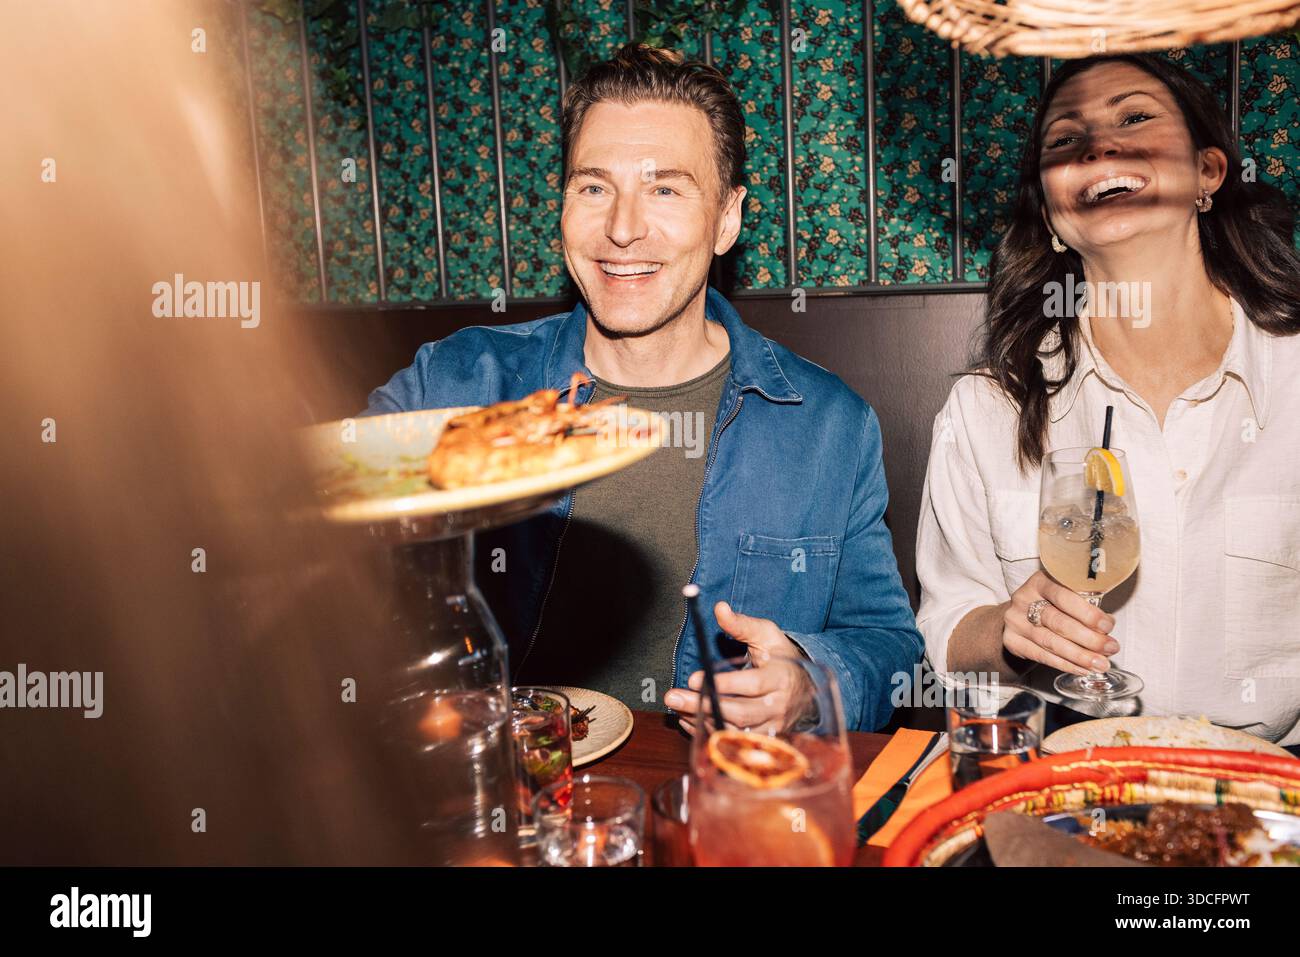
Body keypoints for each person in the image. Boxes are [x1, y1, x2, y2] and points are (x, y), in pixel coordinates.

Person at [365, 44, 922, 732]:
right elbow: (312, 538)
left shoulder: (828, 423)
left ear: (727, 219)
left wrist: (807, 685)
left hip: (715, 808)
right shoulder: (453, 381)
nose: (623, 228)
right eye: (593, 187)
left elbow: (888, 644)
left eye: (664, 189)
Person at [917, 53, 1300, 744]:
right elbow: (946, 630)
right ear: (1054, 211)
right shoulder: (987, 407)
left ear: (1208, 174)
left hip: (1269, 785)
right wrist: (1009, 624)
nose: (1098, 147)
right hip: (1058, 774)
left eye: (1135, 117)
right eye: (1065, 139)